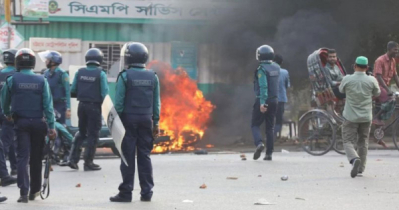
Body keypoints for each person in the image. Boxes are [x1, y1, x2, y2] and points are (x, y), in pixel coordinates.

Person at [1, 48, 56, 203]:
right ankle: (35, 191)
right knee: (37, 158)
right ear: (32, 62)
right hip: (39, 123)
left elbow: (4, 101)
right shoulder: (41, 80)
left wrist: (8, 114)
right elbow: (48, 105)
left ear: (18, 62)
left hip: (21, 123)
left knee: (22, 157)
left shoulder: (12, 80)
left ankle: (23, 193)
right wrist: (51, 126)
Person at [110, 42, 160, 202]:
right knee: (144, 156)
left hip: (128, 120)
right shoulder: (153, 76)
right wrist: (156, 123)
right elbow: (156, 103)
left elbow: (118, 103)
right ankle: (147, 193)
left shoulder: (125, 76)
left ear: (129, 58)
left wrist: (114, 123)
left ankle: (126, 193)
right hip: (146, 120)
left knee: (127, 156)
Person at [339, 56, 380, 178]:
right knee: (363, 142)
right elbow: (377, 93)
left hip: (350, 116)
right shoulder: (371, 80)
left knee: (347, 141)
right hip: (366, 117)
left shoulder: (347, 79)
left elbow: (341, 90)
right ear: (367, 68)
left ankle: (354, 159)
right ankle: (361, 168)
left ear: (354, 66)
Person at [68, 48, 108, 171]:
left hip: (82, 106)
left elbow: (73, 91)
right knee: (93, 134)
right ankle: (88, 162)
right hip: (94, 107)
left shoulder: (79, 72)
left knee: (82, 132)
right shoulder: (100, 73)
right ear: (99, 60)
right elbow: (104, 93)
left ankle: (73, 160)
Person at [252, 45, 280, 161]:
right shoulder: (277, 67)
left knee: (255, 124)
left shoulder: (261, 69)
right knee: (270, 128)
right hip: (275, 100)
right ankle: (269, 154)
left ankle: (259, 143)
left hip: (263, 99)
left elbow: (263, 86)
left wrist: (262, 103)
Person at [0, 49, 18, 176]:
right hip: (9, 112)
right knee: (6, 141)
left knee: (9, 139)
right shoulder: (16, 74)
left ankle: (15, 166)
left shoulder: (1, 73)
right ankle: (3, 173)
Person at [373, 41, 399, 125]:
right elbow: (378, 76)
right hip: (377, 86)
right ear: (389, 49)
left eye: (397, 50)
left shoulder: (393, 61)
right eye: (395, 50)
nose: (397, 52)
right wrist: (387, 90)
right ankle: (376, 118)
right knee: (390, 99)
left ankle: (378, 137)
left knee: (380, 108)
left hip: (385, 87)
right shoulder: (380, 60)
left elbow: (395, 76)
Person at [43, 51, 71, 124]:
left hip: (60, 105)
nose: (46, 61)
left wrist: (68, 108)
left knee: (60, 125)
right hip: (49, 104)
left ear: (53, 62)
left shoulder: (62, 74)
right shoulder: (46, 73)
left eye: (48, 60)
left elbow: (67, 91)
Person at [273, 54, 290, 137]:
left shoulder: (267, 71)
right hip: (281, 99)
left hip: (270, 99)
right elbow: (287, 85)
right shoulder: (285, 72)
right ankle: (275, 135)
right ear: (281, 62)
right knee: (279, 119)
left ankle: (269, 134)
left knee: (269, 118)